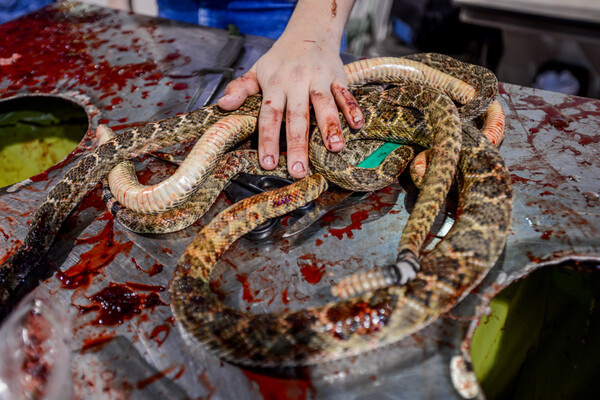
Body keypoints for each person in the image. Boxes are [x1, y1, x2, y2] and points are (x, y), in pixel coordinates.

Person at [113, 0, 365, 179]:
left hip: (283, 10)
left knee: (287, 130)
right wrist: (118, 13)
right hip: (176, 9)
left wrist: (314, 32)